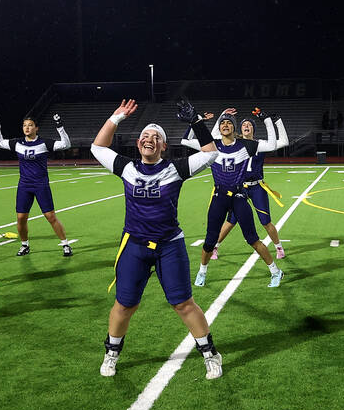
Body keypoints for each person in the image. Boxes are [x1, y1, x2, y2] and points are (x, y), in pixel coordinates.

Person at [91, 98, 224, 379]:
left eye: (156, 137)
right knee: (125, 304)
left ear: (163, 146)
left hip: (169, 245)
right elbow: (98, 147)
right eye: (145, 136)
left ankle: (211, 354)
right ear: (139, 143)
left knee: (183, 303)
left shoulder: (175, 168)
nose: (149, 139)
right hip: (135, 245)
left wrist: (197, 122)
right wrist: (116, 118)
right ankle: (112, 352)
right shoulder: (126, 167)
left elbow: (211, 154)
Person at [182, 110, 283, 288]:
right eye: (222, 123)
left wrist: (267, 120)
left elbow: (273, 145)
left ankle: (276, 271)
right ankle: (202, 271)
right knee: (210, 240)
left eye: (229, 123)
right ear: (219, 128)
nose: (225, 125)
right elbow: (185, 141)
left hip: (238, 196)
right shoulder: (212, 145)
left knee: (252, 238)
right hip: (219, 197)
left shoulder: (246, 145)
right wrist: (195, 121)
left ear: (234, 127)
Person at [209, 108, 290, 260]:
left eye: (250, 124)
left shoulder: (261, 144)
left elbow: (284, 142)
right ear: (240, 128)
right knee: (231, 220)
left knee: (265, 220)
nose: (246, 125)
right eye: (244, 124)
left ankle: (278, 247)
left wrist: (277, 121)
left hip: (257, 186)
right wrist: (222, 116)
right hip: (239, 187)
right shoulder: (235, 143)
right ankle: (214, 246)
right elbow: (214, 138)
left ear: (253, 128)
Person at [0, 112, 74, 257]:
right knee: (21, 218)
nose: (27, 128)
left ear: (37, 128)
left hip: (41, 185)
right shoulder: (17, 143)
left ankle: (65, 244)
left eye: (30, 125)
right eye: (24, 125)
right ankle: (25, 245)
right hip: (24, 185)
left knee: (50, 216)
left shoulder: (44, 143)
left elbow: (66, 144)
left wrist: (59, 126)